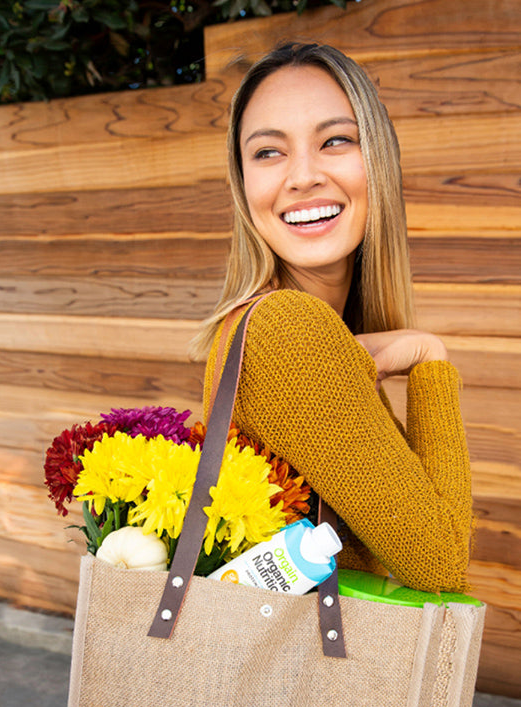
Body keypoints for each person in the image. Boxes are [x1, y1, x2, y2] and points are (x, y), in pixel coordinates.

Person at [191, 42, 472, 593]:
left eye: (336, 140)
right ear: (243, 184)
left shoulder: (284, 329)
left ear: (379, 162)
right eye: (268, 152)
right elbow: (440, 564)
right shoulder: (287, 331)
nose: (302, 176)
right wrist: (430, 358)